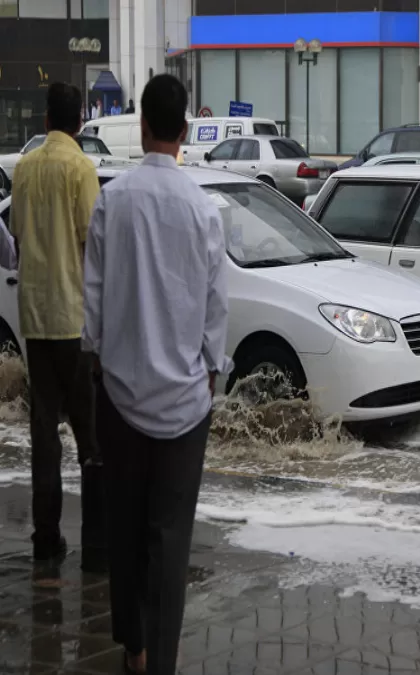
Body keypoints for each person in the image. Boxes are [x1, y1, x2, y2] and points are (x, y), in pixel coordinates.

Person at [82, 73, 232, 675]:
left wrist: (96, 361)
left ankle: (134, 648)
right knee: (169, 541)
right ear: (186, 130)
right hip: (185, 405)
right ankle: (160, 661)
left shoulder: (113, 200)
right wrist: (210, 374)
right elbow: (215, 309)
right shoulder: (203, 210)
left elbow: (92, 300)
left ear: (142, 125)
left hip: (119, 394)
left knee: (124, 527)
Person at [8, 82, 104, 565]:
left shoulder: (23, 169)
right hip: (74, 319)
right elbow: (93, 243)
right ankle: (96, 542)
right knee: (90, 432)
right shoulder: (81, 169)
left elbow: (18, 236)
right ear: (80, 122)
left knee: (43, 431)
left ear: (46, 120)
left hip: (34, 317)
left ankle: (46, 537)